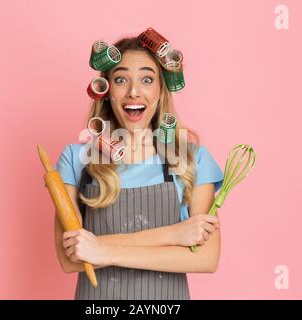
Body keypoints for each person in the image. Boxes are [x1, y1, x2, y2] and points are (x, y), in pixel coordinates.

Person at [53, 35, 224, 300]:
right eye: (121, 79)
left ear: (160, 90)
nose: (133, 91)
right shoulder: (77, 160)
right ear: (106, 90)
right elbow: (70, 259)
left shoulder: (192, 160)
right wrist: (174, 235)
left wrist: (102, 250)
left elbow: (205, 258)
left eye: (147, 79)